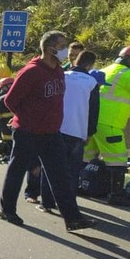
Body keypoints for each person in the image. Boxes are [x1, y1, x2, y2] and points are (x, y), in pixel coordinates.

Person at [0, 30, 96, 232]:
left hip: (52, 133)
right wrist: (26, 118)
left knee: (61, 176)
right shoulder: (31, 71)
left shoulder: (59, 70)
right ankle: (7, 210)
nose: (64, 50)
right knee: (17, 170)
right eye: (61, 46)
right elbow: (10, 100)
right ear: (50, 49)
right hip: (28, 131)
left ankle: (73, 219)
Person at [36, 49, 100, 213]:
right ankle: (68, 205)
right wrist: (90, 132)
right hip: (78, 131)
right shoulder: (91, 82)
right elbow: (94, 111)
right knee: (71, 171)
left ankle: (47, 202)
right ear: (90, 64)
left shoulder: (62, 75)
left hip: (56, 128)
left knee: (50, 167)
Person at [83, 45, 130, 205]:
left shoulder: (107, 69)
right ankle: (116, 195)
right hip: (110, 123)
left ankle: (81, 185)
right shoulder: (127, 74)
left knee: (87, 155)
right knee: (118, 158)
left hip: (92, 121)